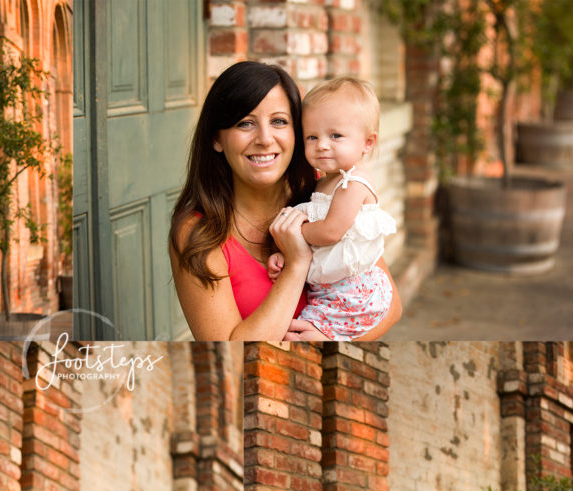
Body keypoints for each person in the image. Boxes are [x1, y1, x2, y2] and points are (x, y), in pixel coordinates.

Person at [169, 61, 401, 341]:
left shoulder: (324, 192)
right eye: (245, 123)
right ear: (217, 139)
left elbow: (391, 306)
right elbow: (231, 353)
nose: (265, 139)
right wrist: (296, 264)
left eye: (279, 121)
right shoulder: (199, 233)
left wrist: (331, 342)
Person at [266, 77, 397, 340]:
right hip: (330, 290)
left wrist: (291, 234)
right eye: (312, 137)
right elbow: (318, 246)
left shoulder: (353, 182)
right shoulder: (324, 181)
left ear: (368, 143)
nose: (322, 145)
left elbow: (330, 233)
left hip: (354, 293)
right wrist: (285, 254)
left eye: (335, 135)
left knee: (293, 335)